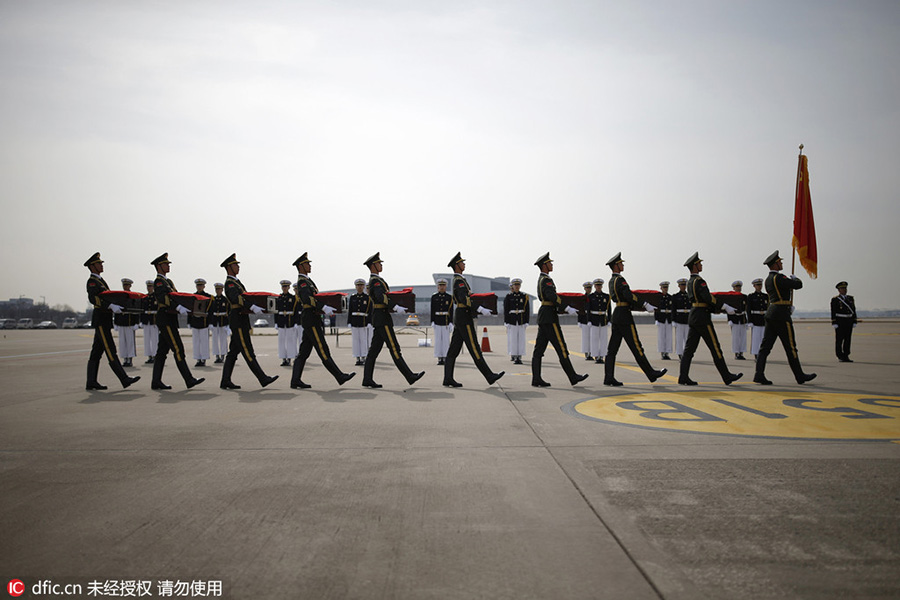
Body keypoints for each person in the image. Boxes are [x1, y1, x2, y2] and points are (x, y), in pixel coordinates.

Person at [289, 253, 355, 389]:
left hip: (312, 318)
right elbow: (308, 299)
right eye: (307, 263)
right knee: (322, 349)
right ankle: (339, 376)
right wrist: (323, 307)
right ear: (301, 266)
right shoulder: (302, 282)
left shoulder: (308, 281)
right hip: (310, 319)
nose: (310, 265)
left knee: (303, 353)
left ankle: (295, 380)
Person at [677, 253, 743, 386]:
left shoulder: (690, 282)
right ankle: (726, 376)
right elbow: (708, 298)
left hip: (694, 316)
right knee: (715, 347)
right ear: (695, 266)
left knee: (689, 350)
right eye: (699, 263)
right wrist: (724, 306)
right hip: (702, 318)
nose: (701, 265)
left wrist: (716, 309)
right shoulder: (700, 281)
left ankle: (683, 377)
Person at [361, 252, 425, 388]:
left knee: (373, 351)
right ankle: (409, 376)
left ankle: (367, 379)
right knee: (394, 348)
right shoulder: (375, 281)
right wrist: (395, 307)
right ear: (373, 265)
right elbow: (381, 297)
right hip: (382, 318)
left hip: (381, 317)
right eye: (379, 263)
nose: (381, 265)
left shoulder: (377, 280)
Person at [753, 250, 817, 385]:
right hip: (781, 314)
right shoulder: (779, 278)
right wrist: (795, 278)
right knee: (790, 347)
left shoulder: (768, 280)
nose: (781, 263)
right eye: (780, 262)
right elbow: (798, 285)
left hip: (771, 313)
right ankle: (799, 376)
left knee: (765, 348)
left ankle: (759, 374)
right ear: (775, 264)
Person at [603, 252, 667, 387]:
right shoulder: (620, 280)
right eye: (621, 263)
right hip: (625, 316)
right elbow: (628, 295)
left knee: (612, 350)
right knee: (637, 347)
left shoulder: (611, 281)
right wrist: (644, 304)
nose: (622, 265)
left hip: (617, 315)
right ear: (616, 265)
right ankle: (650, 373)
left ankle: (609, 377)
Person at [442, 253, 505, 387]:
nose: (464, 264)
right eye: (462, 263)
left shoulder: (461, 280)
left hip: (461, 316)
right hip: (464, 317)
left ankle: (447, 378)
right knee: (474, 348)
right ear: (457, 266)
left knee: (453, 350)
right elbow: (465, 299)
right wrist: (480, 309)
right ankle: (489, 375)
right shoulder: (459, 281)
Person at [219, 253, 278, 390]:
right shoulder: (229, 283)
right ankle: (262, 378)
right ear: (229, 267)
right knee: (247, 350)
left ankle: (225, 380)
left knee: (233, 352)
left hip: (241, 318)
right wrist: (251, 306)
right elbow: (236, 299)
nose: (238, 267)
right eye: (235, 265)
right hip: (237, 319)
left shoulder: (237, 283)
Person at [83, 253, 140, 390]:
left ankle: (91, 382)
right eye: (99, 263)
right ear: (92, 266)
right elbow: (94, 299)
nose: (102, 265)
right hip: (101, 320)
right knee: (110, 350)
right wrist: (110, 306)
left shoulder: (100, 280)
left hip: (105, 320)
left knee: (96, 352)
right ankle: (124, 379)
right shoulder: (92, 281)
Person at [531, 252, 588, 387]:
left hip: (545, 316)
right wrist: (567, 307)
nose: (551, 265)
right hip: (550, 318)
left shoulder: (542, 279)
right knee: (561, 347)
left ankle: (536, 378)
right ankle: (572, 376)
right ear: (544, 266)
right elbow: (552, 296)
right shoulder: (546, 280)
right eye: (549, 263)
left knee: (538, 350)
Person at [150, 253, 204, 390]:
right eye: (166, 264)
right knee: (178, 348)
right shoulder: (159, 282)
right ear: (159, 266)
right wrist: (178, 307)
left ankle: (156, 381)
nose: (168, 266)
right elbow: (164, 299)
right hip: (165, 318)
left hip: (169, 318)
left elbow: (176, 296)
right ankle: (188, 379)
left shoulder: (168, 282)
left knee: (162, 351)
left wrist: (184, 305)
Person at [503, 278, 529, 365]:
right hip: (512, 320)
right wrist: (506, 322)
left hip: (521, 319)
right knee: (513, 339)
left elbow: (527, 310)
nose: (517, 287)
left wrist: (526, 321)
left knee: (521, 339)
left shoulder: (524, 296)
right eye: (515, 285)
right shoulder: (509, 296)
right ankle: (514, 355)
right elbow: (506, 310)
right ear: (513, 286)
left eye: (518, 285)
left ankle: (519, 356)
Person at [347, 278, 372, 367]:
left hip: (363, 321)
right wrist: (349, 321)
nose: (359, 287)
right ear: (356, 287)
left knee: (363, 340)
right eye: (358, 285)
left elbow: (370, 311)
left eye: (361, 285)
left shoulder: (368, 298)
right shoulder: (353, 297)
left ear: (364, 286)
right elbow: (350, 311)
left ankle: (364, 356)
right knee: (355, 340)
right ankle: (357, 357)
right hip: (354, 321)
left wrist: (370, 322)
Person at [114, 277, 139, 367]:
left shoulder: (133, 296)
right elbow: (116, 311)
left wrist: (136, 322)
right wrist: (116, 323)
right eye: (124, 285)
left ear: (130, 286)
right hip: (121, 322)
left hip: (130, 323)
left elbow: (136, 310)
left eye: (127, 285)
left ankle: (130, 359)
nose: (125, 287)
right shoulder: (119, 296)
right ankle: (125, 359)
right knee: (122, 342)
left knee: (130, 342)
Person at [831, 281, 857, 362]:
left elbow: (853, 310)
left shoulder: (850, 298)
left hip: (848, 321)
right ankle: (840, 355)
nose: (844, 290)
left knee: (848, 339)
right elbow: (833, 311)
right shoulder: (835, 299)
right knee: (839, 339)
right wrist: (834, 322)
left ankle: (846, 355)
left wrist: (854, 320)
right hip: (840, 321)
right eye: (842, 288)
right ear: (839, 290)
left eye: (845, 288)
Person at [188, 278, 212, 367]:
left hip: (204, 322)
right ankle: (198, 359)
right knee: (196, 342)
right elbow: (190, 310)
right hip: (195, 321)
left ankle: (204, 358)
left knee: (204, 342)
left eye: (201, 285)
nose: (199, 287)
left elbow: (210, 311)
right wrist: (189, 322)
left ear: (204, 286)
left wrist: (210, 323)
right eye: (198, 285)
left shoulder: (208, 297)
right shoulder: (193, 296)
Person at [588, 278, 610, 364]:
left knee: (604, 339)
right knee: (595, 339)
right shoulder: (591, 297)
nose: (598, 287)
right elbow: (588, 309)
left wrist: (609, 320)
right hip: (594, 319)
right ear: (594, 286)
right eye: (597, 285)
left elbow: (609, 309)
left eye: (600, 285)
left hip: (603, 319)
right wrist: (589, 320)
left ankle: (603, 355)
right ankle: (596, 355)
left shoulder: (606, 296)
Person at [431, 278, 452, 365]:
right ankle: (439, 357)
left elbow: (451, 311)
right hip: (437, 320)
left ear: (446, 286)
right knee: (438, 340)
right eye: (440, 285)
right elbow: (432, 309)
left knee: (446, 340)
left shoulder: (449, 297)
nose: (442, 287)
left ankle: (446, 357)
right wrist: (432, 321)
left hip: (446, 321)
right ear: (437, 287)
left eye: (443, 285)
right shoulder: (434, 297)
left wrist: (451, 322)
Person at [274, 280, 296, 367]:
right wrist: (276, 322)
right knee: (281, 341)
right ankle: (283, 358)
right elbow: (275, 311)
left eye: (286, 287)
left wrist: (295, 322)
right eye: (283, 287)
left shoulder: (293, 298)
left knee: (290, 341)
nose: (284, 288)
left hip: (290, 321)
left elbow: (295, 311)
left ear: (289, 287)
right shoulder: (278, 298)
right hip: (281, 321)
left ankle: (290, 358)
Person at [208, 283, 229, 364]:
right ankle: (217, 356)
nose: (218, 291)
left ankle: (223, 355)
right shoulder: (213, 300)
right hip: (214, 322)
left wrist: (228, 325)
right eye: (216, 289)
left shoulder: (225, 300)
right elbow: (210, 312)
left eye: (219, 289)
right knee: (215, 340)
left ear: (222, 290)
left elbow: (228, 312)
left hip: (223, 321)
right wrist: (210, 323)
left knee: (223, 340)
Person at [747, 278, 768, 359]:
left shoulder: (766, 296)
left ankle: (762, 354)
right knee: (756, 339)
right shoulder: (751, 297)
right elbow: (748, 310)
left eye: (760, 285)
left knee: (763, 338)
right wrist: (750, 321)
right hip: (755, 320)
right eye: (758, 285)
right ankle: (756, 354)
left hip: (763, 320)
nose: (759, 286)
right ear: (754, 286)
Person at [727, 280, 748, 360]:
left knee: (743, 337)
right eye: (737, 287)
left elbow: (746, 309)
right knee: (735, 338)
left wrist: (746, 321)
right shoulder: (731, 297)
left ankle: (741, 353)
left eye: (739, 287)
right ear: (733, 288)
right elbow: (728, 309)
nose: (738, 288)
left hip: (742, 319)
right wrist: (729, 320)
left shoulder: (744, 297)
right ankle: (736, 353)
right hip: (734, 319)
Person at [671, 278, 690, 359]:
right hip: (679, 319)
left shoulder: (689, 296)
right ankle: (680, 353)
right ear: (679, 286)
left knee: (687, 338)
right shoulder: (675, 297)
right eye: (682, 285)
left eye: (684, 285)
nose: (683, 286)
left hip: (688, 319)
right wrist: (673, 320)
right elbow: (673, 309)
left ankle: (686, 353)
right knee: (679, 338)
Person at [140, 280, 158, 364]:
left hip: (154, 320)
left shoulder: (156, 297)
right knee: (147, 339)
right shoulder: (144, 297)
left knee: (154, 339)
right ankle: (149, 355)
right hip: (146, 320)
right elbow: (142, 310)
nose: (149, 288)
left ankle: (155, 355)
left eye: (150, 286)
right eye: (148, 286)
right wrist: (141, 321)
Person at [654, 281, 673, 360]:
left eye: (667, 287)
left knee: (668, 337)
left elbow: (673, 309)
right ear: (661, 288)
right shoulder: (658, 297)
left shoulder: (670, 297)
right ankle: (662, 352)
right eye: (664, 287)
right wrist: (656, 319)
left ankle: (667, 352)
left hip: (668, 319)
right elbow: (656, 308)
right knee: (661, 337)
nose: (666, 289)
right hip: (661, 318)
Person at [578, 281, 593, 360]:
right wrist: (579, 321)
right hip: (584, 320)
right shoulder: (582, 298)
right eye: (587, 288)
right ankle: (587, 353)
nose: (589, 289)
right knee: (585, 338)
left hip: (592, 320)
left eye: (590, 288)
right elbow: (580, 309)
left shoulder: (593, 297)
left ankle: (592, 352)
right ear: (584, 288)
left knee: (592, 338)